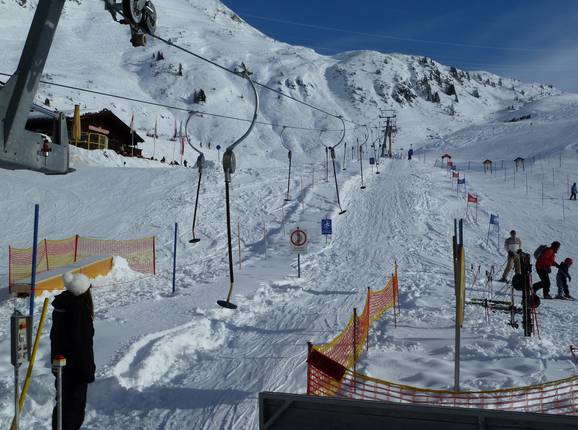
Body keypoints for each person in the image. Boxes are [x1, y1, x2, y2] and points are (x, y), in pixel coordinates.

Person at [51, 272, 95, 430]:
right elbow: (82, 344)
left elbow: (55, 338)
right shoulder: (79, 311)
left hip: (61, 366)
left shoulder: (62, 306)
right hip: (76, 370)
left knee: (62, 407)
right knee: (73, 411)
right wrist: (88, 372)